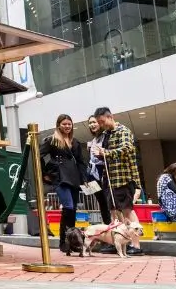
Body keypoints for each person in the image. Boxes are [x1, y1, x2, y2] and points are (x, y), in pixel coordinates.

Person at [91, 106, 144, 255]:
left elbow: (127, 148)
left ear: (110, 117)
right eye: (99, 123)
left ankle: (136, 245)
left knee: (127, 210)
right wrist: (101, 155)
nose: (101, 125)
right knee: (114, 211)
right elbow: (108, 154)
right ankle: (117, 241)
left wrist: (106, 153)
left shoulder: (123, 131)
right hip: (110, 178)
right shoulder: (106, 134)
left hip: (123, 177)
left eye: (102, 122)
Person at [39, 114, 87, 252]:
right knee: (68, 208)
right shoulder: (52, 140)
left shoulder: (75, 142)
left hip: (74, 178)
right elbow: (39, 155)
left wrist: (84, 179)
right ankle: (63, 242)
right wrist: (46, 173)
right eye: (64, 124)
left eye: (69, 124)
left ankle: (72, 242)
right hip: (60, 178)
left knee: (72, 211)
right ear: (58, 125)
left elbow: (81, 162)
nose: (67, 126)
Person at [86, 115, 116, 254]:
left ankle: (114, 238)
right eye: (90, 123)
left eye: (94, 122)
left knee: (110, 204)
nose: (92, 125)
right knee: (102, 205)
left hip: (104, 173)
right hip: (92, 175)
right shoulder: (93, 140)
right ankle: (106, 239)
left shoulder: (106, 137)